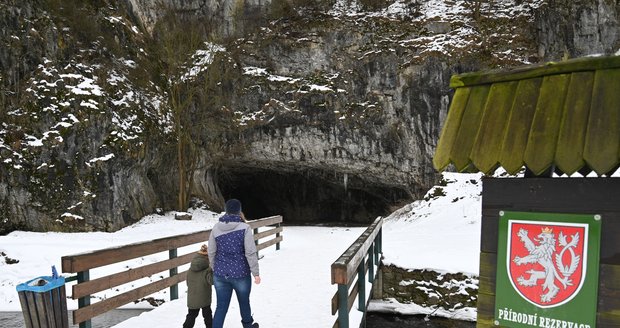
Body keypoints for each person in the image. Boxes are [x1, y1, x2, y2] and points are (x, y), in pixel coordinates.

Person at [208, 199, 261, 328]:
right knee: (244, 303)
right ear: (239, 211)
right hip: (240, 274)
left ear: (226, 211)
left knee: (221, 306)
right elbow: (250, 252)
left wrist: (215, 267)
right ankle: (248, 326)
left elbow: (211, 251)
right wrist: (256, 273)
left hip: (220, 274)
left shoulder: (216, 227)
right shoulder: (245, 228)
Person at [183, 244, 213, 328]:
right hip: (204, 297)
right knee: (207, 315)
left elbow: (188, 282)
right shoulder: (207, 270)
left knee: (191, 315)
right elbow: (212, 281)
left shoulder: (191, 268)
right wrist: (212, 270)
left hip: (192, 297)